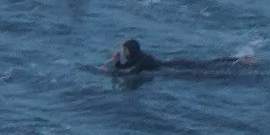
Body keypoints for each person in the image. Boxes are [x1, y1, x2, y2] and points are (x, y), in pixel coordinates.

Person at [106, 38, 254, 76]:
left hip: (171, 67)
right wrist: (118, 63)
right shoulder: (139, 57)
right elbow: (127, 67)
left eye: (124, 49)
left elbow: (130, 72)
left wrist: (115, 65)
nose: (123, 51)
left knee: (208, 66)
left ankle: (239, 60)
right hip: (170, 64)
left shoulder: (142, 60)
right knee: (205, 64)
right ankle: (239, 60)